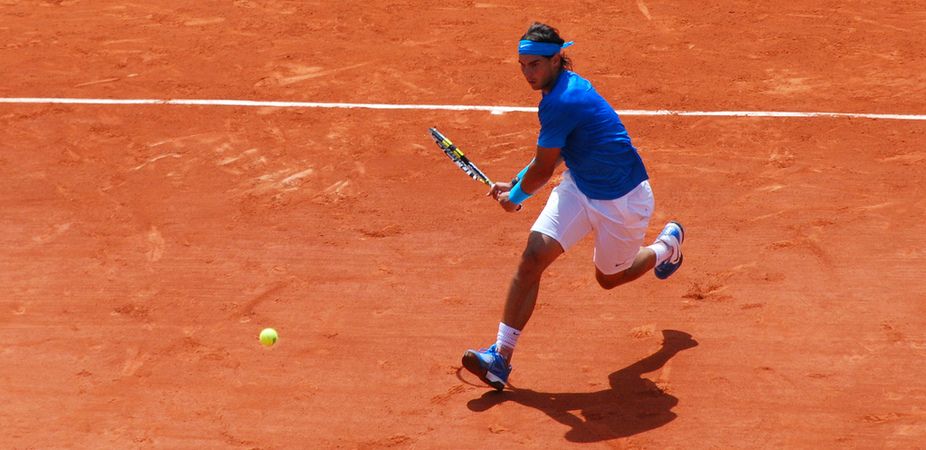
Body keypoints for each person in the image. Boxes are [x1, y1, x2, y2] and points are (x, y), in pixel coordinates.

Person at [461, 22, 685, 391]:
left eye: (534, 65)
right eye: (522, 65)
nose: (527, 73)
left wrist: (515, 198)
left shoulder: (563, 100)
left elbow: (545, 167)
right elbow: (554, 154)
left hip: (623, 201)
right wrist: (517, 182)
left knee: (609, 279)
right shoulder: (560, 92)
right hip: (581, 187)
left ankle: (666, 248)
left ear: (555, 59)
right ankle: (500, 358)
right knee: (533, 257)